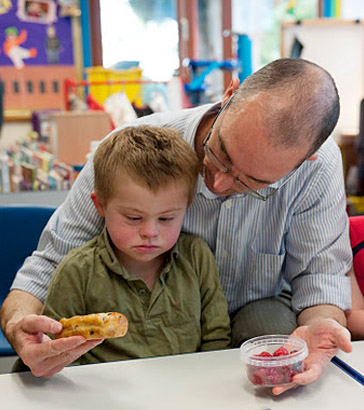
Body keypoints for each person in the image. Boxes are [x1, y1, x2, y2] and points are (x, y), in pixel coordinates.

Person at [1, 58, 352, 395]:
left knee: (271, 329)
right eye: (221, 154)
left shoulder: (318, 169)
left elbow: (319, 276)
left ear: (305, 159)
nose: (218, 183)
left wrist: (322, 324)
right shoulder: (128, 150)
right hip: (146, 330)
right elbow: (48, 265)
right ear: (229, 96)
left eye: (252, 182)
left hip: (251, 318)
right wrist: (20, 327)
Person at [41, 125, 231, 365]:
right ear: (100, 205)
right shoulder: (77, 271)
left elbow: (217, 337)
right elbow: (56, 350)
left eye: (166, 218)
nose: (150, 232)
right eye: (133, 218)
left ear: (187, 207)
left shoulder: (197, 256)